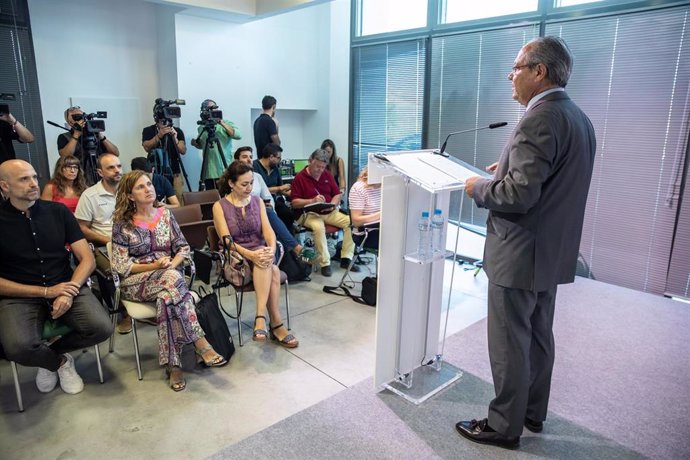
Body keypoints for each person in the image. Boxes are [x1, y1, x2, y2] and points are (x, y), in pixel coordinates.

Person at [456, 36, 596, 449]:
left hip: (519, 252)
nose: (510, 76)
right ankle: (531, 413)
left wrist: (479, 186)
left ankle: (503, 426)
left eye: (517, 68)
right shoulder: (576, 117)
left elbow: (517, 196)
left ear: (539, 72)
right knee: (537, 337)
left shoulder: (539, 118)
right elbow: (557, 179)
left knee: (509, 342)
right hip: (549, 253)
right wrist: (510, 167)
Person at [0, 160, 112, 395]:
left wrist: (69, 290)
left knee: (101, 328)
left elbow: (87, 259)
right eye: (24, 179)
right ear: (5, 186)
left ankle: (49, 356)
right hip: (20, 295)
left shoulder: (57, 212)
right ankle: (57, 363)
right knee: (17, 347)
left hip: (65, 284)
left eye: (33, 176)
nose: (33, 184)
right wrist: (46, 292)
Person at [111, 170, 227, 391]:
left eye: (149, 184)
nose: (148, 189)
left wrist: (172, 264)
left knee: (167, 300)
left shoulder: (165, 215)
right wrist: (154, 266)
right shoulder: (121, 223)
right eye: (140, 187)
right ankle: (200, 342)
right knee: (173, 282)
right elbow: (120, 265)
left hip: (168, 278)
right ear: (130, 195)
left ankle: (174, 365)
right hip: (136, 281)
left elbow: (183, 247)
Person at [213, 161, 298, 348]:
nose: (249, 188)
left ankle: (262, 319)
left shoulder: (257, 202)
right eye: (244, 184)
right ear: (231, 183)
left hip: (260, 256)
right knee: (273, 270)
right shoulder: (219, 206)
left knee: (265, 258)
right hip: (236, 260)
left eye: (251, 183)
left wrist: (271, 250)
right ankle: (275, 324)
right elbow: (227, 241)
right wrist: (252, 255)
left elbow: (268, 232)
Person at [232, 146, 316, 264]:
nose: (249, 160)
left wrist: (270, 206)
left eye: (251, 157)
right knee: (269, 213)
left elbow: (267, 196)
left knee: (276, 213)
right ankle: (296, 249)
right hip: (242, 214)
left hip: (262, 214)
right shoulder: (233, 181)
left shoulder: (257, 177)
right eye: (245, 157)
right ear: (236, 161)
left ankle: (291, 256)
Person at [290, 149, 360, 277]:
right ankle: (325, 262)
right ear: (310, 161)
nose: (320, 170)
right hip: (307, 213)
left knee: (351, 222)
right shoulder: (299, 178)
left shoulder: (327, 174)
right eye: (317, 166)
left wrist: (333, 204)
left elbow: (337, 194)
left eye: (323, 167)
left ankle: (346, 257)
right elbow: (294, 202)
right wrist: (311, 200)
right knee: (318, 226)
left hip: (327, 211)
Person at [57, 106, 119, 184]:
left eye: (82, 116)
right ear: (70, 122)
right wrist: (76, 134)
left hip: (101, 177)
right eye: (76, 117)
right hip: (79, 179)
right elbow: (65, 156)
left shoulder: (94, 135)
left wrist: (101, 137)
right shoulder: (64, 137)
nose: (81, 119)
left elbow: (115, 153)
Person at [191, 99, 241, 191]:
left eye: (212, 109)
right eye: (207, 109)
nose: (210, 112)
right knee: (212, 197)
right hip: (208, 171)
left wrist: (221, 122)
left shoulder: (226, 123)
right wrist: (196, 144)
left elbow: (238, 135)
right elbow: (203, 145)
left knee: (227, 196)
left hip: (224, 169)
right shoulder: (202, 128)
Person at [141, 108, 187, 203]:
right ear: (156, 120)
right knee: (157, 200)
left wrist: (175, 138)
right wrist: (159, 136)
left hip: (175, 172)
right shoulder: (148, 130)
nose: (165, 123)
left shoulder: (177, 131)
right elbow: (146, 147)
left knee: (178, 199)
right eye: (162, 121)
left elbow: (183, 150)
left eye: (168, 120)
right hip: (156, 172)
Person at [254, 143, 293, 230]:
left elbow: (281, 189)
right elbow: (259, 190)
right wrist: (279, 188)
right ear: (271, 157)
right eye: (278, 158)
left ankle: (288, 241)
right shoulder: (255, 167)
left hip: (274, 200)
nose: (280, 160)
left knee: (288, 214)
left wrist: (294, 194)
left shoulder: (275, 169)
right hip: (259, 202)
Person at [348, 166, 381, 250]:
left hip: (382, 227)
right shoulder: (359, 188)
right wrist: (382, 214)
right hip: (366, 232)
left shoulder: (386, 186)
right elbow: (356, 221)